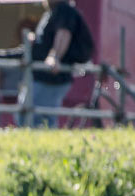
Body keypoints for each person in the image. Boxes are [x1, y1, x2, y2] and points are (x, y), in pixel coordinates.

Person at [29, 0, 93, 128]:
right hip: (43, 76)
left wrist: (55, 57)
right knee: (34, 116)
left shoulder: (64, 10)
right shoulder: (51, 13)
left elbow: (64, 32)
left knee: (38, 118)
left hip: (51, 77)